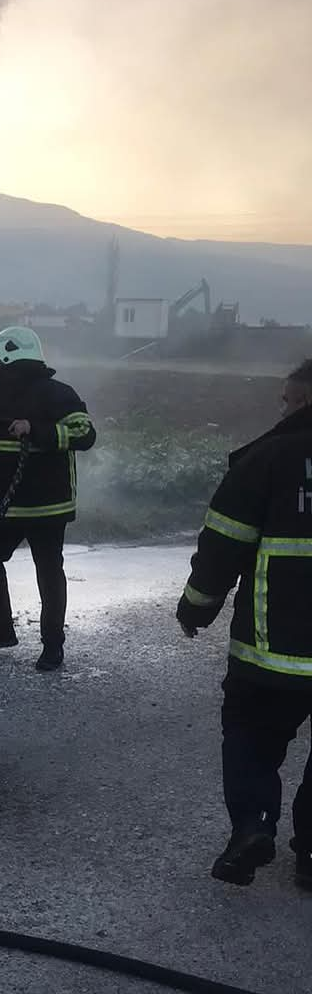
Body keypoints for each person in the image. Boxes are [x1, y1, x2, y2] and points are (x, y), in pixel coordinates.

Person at [176, 357, 312, 889]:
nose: (281, 408)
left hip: (269, 649)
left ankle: (253, 826)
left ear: (302, 400)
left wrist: (196, 607)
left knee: (251, 736)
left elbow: (221, 547)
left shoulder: (264, 460)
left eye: (286, 399)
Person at [0, 326, 96, 672]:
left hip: (48, 505)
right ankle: (1, 628)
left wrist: (37, 430)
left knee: (48, 572)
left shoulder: (58, 395)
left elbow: (85, 433)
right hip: (4, 502)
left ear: (10, 360)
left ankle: (52, 645)